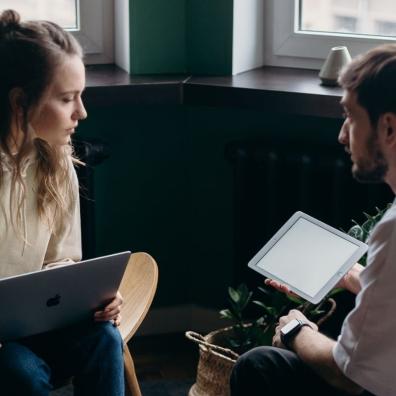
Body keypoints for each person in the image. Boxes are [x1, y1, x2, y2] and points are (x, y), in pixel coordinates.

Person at [230, 43, 396, 396]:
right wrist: (354, 277)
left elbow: (347, 375)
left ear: (389, 128)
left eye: (350, 117)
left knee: (259, 365)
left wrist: (296, 331)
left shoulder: (393, 229)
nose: (342, 136)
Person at [0, 9, 124, 396]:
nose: (81, 113)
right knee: (18, 369)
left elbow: (60, 263)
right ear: (21, 102)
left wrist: (92, 300)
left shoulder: (55, 160)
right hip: (7, 349)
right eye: (68, 98)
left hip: (33, 328)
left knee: (103, 338)